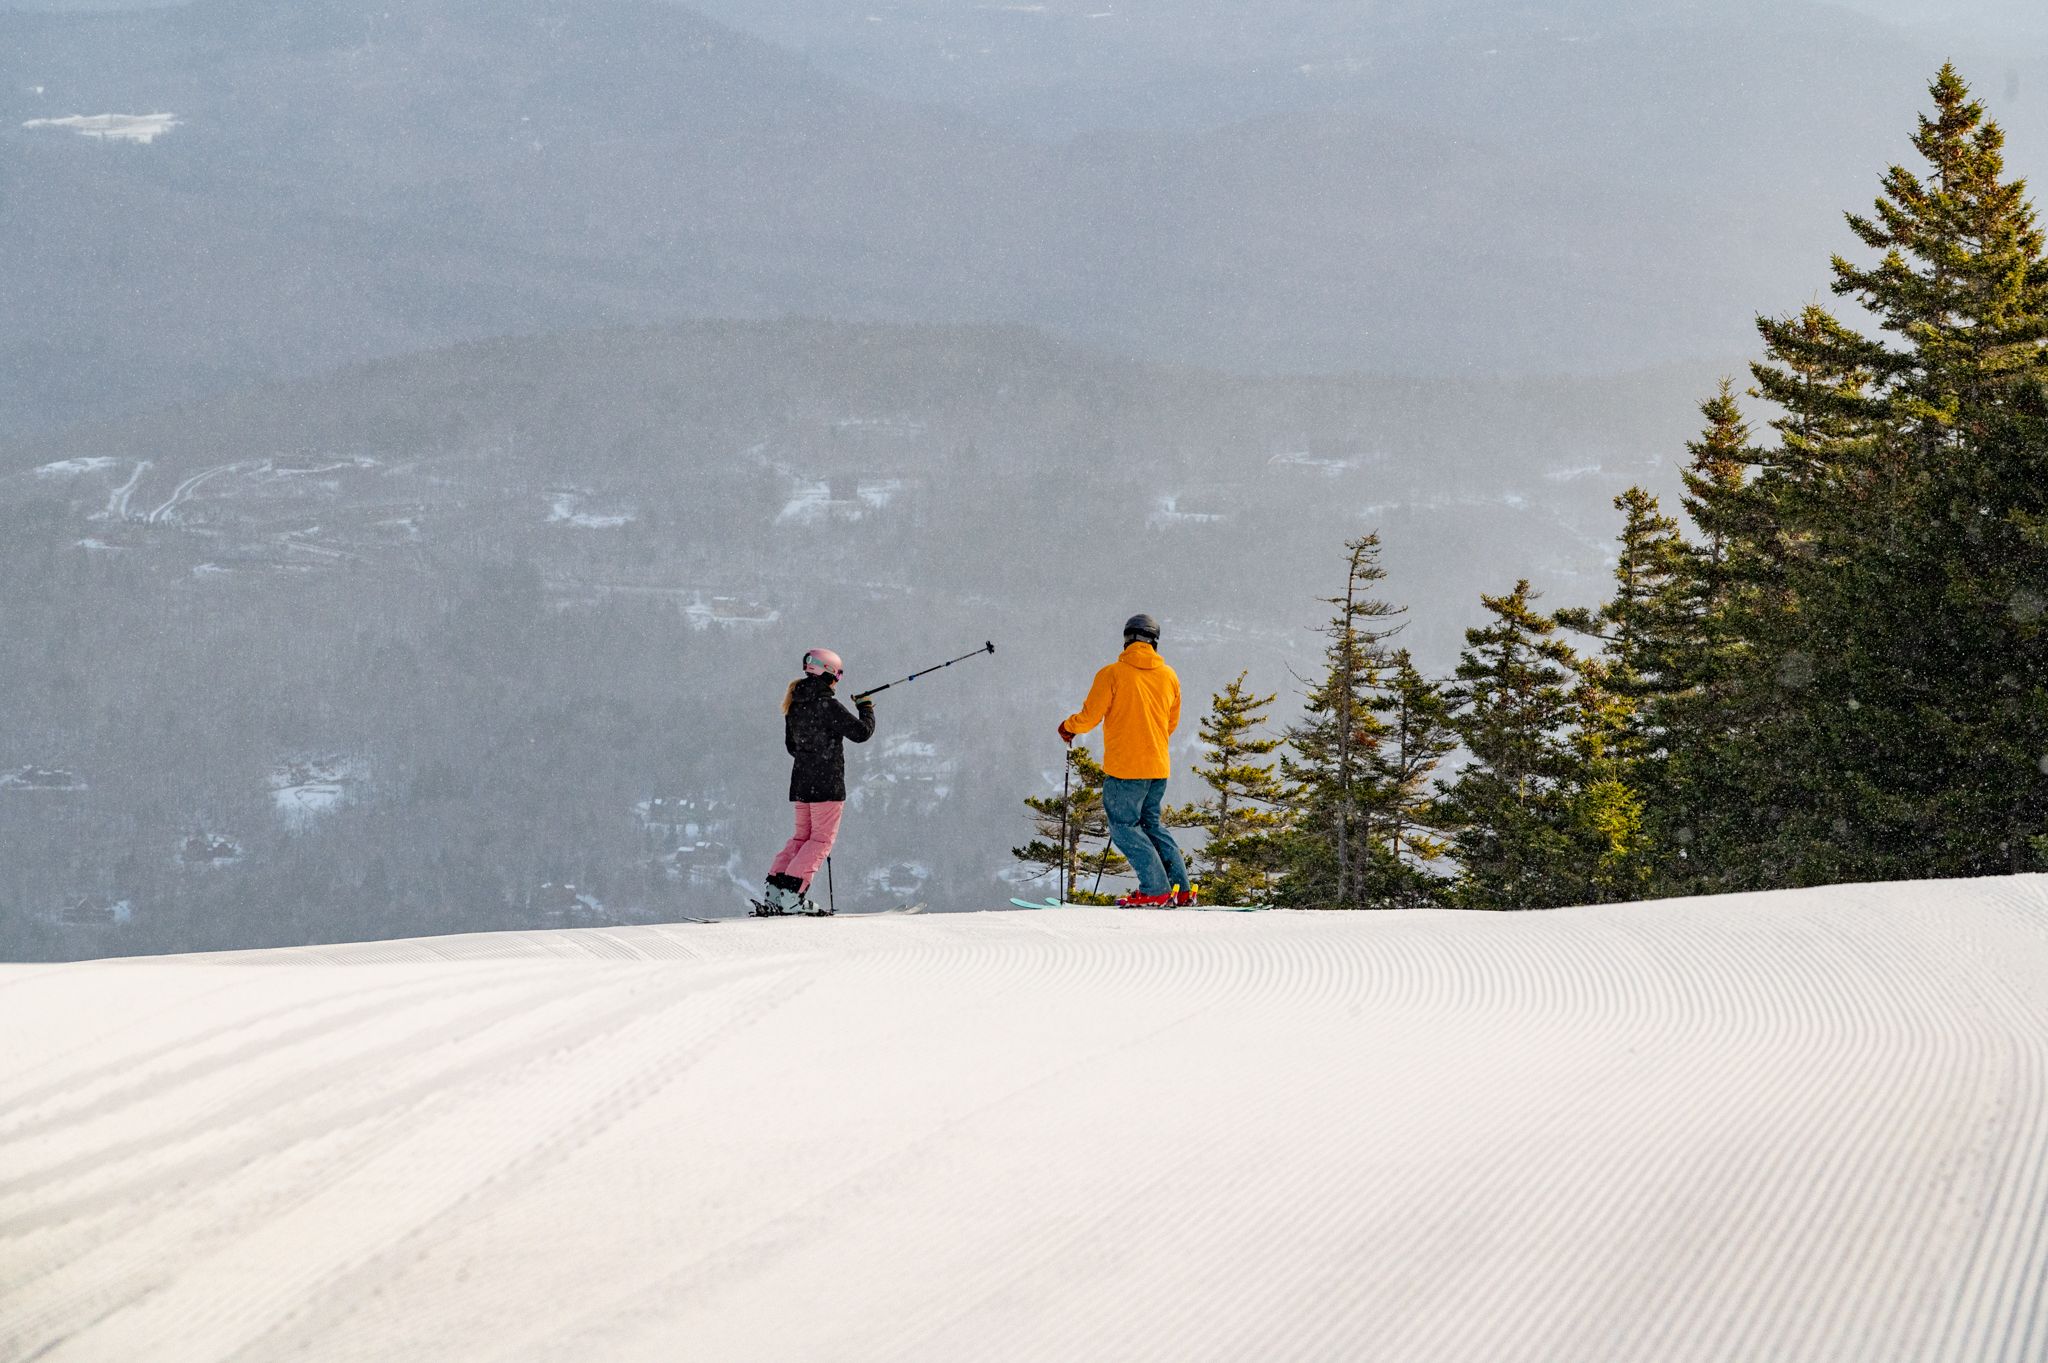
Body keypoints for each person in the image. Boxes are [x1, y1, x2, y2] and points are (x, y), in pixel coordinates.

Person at [1058, 614, 1194, 907]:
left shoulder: (1113, 674)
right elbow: (1171, 723)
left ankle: (1155, 889)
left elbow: (1090, 716)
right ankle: (1179, 889)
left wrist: (1069, 726)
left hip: (1125, 769)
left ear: (1127, 639)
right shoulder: (1169, 675)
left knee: (1124, 827)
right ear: (1154, 641)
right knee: (1153, 825)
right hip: (1158, 766)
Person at [762, 648, 876, 914]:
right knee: (821, 841)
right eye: (837, 676)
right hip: (827, 784)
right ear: (828, 673)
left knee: (802, 838)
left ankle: (776, 892)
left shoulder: (794, 703)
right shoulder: (827, 705)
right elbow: (861, 733)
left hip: (801, 783)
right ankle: (792, 896)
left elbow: (792, 747)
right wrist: (866, 708)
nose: (838, 682)